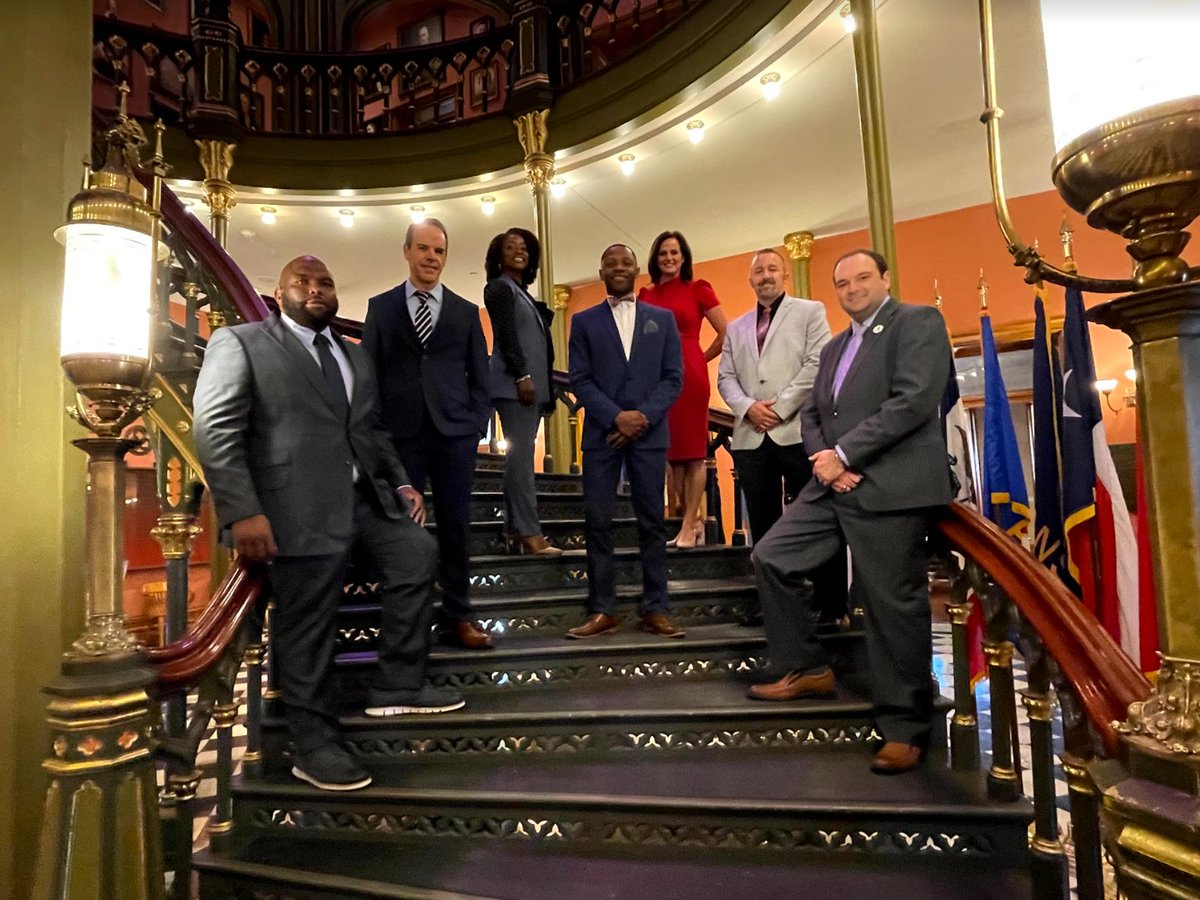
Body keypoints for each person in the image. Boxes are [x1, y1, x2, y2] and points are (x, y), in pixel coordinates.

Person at [193, 255, 464, 793]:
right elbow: (215, 427)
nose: (315, 289)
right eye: (303, 281)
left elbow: (373, 432)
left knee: (416, 553)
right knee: (307, 623)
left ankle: (397, 684)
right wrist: (243, 510)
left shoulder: (355, 357)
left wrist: (403, 482)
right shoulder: (241, 342)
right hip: (292, 508)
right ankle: (312, 743)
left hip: (366, 501)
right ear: (278, 292)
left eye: (325, 282)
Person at [747, 249, 954, 776]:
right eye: (843, 282)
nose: (853, 288)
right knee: (772, 555)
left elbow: (913, 401)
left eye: (863, 278)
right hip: (833, 484)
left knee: (890, 608)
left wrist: (846, 456)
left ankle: (905, 729)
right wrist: (826, 460)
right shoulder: (836, 345)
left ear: (885, 278)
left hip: (890, 487)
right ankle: (808, 666)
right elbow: (816, 410)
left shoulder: (918, 322)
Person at [363, 219, 494, 650]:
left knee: (456, 526)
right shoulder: (381, 308)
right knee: (403, 531)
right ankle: (409, 622)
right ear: (406, 251)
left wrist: (476, 424)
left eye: (438, 251)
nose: (431, 258)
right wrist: (376, 430)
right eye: (422, 248)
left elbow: (481, 374)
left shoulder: (464, 311)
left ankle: (460, 615)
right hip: (401, 439)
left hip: (455, 435)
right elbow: (369, 377)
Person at [717, 248, 848, 626]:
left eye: (773, 268)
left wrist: (779, 407)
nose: (766, 275)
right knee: (763, 524)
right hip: (750, 437)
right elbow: (725, 376)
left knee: (816, 518)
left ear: (785, 274)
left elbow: (817, 362)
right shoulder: (737, 327)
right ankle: (773, 603)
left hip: (797, 432)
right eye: (758, 271)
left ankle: (830, 604)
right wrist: (747, 408)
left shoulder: (810, 311)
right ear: (751, 280)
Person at [566, 243, 685, 640]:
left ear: (638, 269)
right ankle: (603, 609)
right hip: (603, 434)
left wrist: (641, 418)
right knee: (597, 522)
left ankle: (657, 608)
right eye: (610, 263)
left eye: (625, 262)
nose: (618, 267)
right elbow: (579, 379)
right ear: (601, 273)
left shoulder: (663, 320)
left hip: (649, 435)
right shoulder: (582, 322)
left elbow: (673, 378)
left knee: (652, 521)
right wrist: (616, 416)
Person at [638, 231, 727, 548]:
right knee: (669, 454)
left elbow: (725, 332)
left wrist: (700, 357)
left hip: (690, 372)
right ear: (655, 257)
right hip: (658, 377)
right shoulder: (646, 294)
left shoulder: (697, 288)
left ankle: (691, 523)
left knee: (693, 455)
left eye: (675, 252)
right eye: (663, 253)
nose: (669, 258)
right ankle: (682, 520)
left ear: (684, 256)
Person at [482, 227, 563, 557]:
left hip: (531, 387)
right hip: (515, 385)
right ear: (498, 256)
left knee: (520, 460)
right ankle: (530, 533)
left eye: (524, 247)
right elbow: (507, 337)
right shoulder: (499, 289)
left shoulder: (521, 291)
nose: (519, 251)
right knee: (521, 460)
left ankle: (515, 529)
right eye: (510, 247)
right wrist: (523, 376)